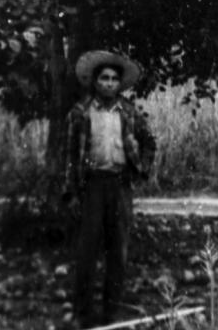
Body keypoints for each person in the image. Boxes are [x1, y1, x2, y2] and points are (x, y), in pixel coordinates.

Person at [63, 50, 156, 327]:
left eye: (114, 79)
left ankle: (111, 311)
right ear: (94, 82)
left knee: (118, 250)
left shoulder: (128, 112)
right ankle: (83, 313)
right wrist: (71, 191)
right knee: (87, 250)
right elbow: (70, 154)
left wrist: (142, 169)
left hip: (120, 185)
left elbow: (149, 141)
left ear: (119, 84)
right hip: (92, 185)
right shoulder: (81, 113)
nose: (108, 84)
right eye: (103, 78)